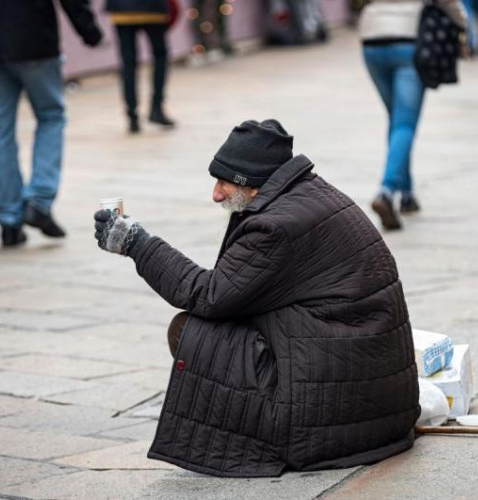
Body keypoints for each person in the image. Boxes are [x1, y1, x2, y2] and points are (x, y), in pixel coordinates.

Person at [94, 119, 420, 477]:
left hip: (334, 401)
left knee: (189, 330)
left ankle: (253, 430)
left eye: (224, 182)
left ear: (252, 185)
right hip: (371, 388)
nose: (216, 194)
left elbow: (210, 296)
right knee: (223, 324)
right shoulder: (307, 195)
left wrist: (137, 243)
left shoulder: (276, 226)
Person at [0, 0, 102, 247]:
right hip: (34, 38)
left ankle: (9, 220)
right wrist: (88, 30)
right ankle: (39, 201)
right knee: (50, 116)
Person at [359, 0, 467, 230]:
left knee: (397, 120)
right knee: (404, 123)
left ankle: (406, 193)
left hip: (371, 39)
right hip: (408, 40)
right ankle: (386, 192)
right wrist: (463, 26)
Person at [106, 0, 176, 133]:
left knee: (128, 62)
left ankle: (132, 116)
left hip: (121, 8)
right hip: (152, 7)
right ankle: (156, 108)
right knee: (160, 55)